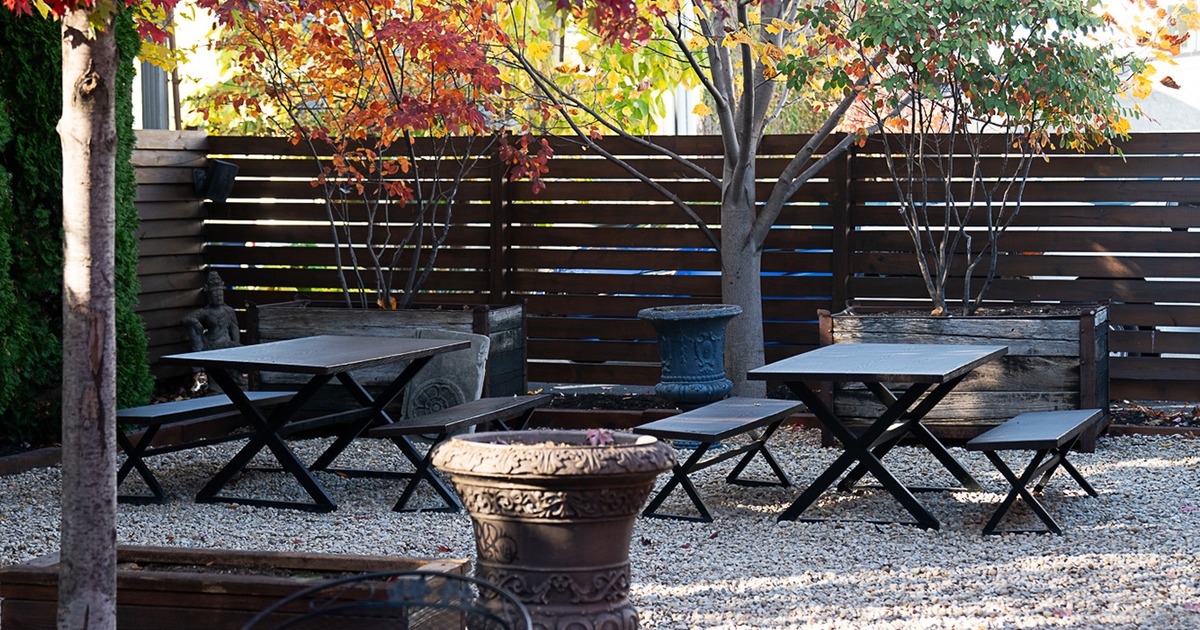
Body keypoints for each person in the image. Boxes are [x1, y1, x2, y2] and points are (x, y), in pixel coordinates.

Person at [182, 271, 242, 391]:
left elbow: (235, 330)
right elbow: (185, 319)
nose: (219, 296)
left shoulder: (229, 311)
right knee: (192, 328)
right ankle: (209, 382)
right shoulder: (206, 312)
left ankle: (238, 381)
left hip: (227, 344)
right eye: (215, 294)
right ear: (209, 295)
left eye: (220, 293)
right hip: (211, 344)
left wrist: (237, 348)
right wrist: (195, 322)